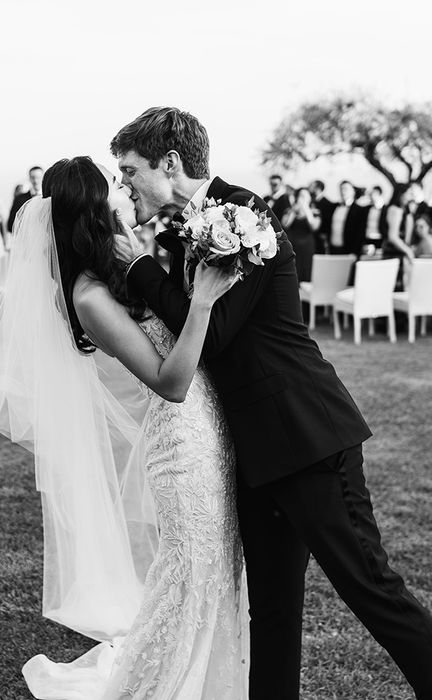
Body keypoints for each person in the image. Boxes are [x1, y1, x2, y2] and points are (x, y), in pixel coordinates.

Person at [113, 106, 432, 700]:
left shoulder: (244, 214)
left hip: (308, 435)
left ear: (171, 163)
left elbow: (215, 330)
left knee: (372, 590)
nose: (124, 183)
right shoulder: (187, 230)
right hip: (255, 454)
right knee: (272, 613)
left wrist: (137, 270)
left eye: (130, 170)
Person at [0, 155, 246, 699]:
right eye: (115, 188)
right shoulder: (89, 297)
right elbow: (171, 382)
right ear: (91, 212)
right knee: (188, 575)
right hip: (183, 443)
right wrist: (202, 302)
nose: (125, 194)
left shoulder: (123, 266)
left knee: (215, 571)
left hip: (213, 433)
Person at [281, 187, 320, 282]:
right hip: (292, 245)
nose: (303, 198)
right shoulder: (289, 210)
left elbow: (314, 227)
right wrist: (294, 211)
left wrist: (306, 210)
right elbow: (285, 225)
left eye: (305, 196)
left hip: (307, 246)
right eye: (301, 196)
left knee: (307, 270)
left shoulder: (315, 212)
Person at [330, 180, 367, 255]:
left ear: (353, 191)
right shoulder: (333, 208)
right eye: (341, 189)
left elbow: (360, 233)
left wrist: (354, 251)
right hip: (333, 249)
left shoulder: (360, 210)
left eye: (345, 189)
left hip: (349, 250)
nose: (343, 191)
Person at [7, 165, 43, 233]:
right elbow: (10, 225)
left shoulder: (50, 198)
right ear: (29, 178)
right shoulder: (19, 199)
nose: (35, 181)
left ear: (43, 178)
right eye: (33, 177)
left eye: (38, 177)